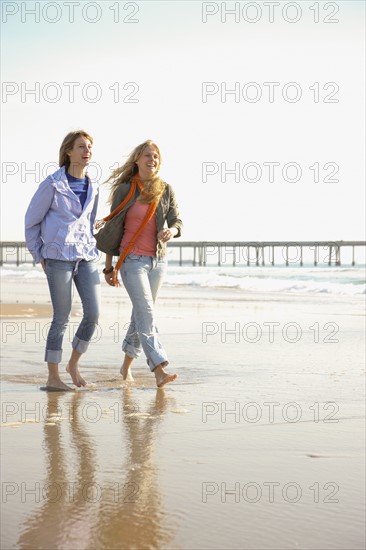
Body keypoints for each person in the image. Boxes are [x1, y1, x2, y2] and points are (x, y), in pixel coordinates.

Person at [101, 140, 182, 388]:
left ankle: (125, 368)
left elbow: (176, 219)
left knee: (140, 315)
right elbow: (112, 228)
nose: (152, 160)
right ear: (137, 160)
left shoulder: (165, 189)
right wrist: (109, 266)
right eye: (148, 155)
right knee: (147, 311)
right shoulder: (125, 190)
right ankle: (158, 367)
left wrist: (172, 230)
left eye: (156, 156)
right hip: (132, 260)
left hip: (158, 261)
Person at [25, 130, 101, 391]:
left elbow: (89, 223)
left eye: (90, 146)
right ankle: (53, 377)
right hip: (57, 257)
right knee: (62, 316)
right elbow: (31, 221)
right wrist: (40, 255)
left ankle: (73, 364)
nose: (87, 150)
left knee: (93, 313)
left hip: (87, 256)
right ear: (69, 151)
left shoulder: (94, 186)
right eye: (81, 146)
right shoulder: (52, 184)